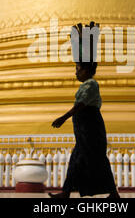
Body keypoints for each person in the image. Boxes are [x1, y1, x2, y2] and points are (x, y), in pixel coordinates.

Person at [48, 61, 119, 198]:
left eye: (78, 69)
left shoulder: (91, 84)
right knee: (80, 159)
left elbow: (81, 104)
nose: (76, 73)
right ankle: (66, 191)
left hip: (90, 128)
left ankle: (67, 192)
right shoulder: (85, 85)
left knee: (94, 159)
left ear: (86, 71)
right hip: (84, 129)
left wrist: (64, 117)